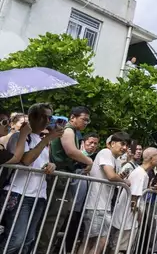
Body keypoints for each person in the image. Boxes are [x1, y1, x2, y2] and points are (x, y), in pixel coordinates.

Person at [0, 103, 63, 254]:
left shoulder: (43, 141)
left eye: (50, 117)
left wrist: (51, 165)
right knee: (16, 240)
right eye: (44, 117)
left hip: (38, 195)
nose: (48, 121)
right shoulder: (20, 137)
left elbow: (41, 162)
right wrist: (47, 139)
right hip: (18, 193)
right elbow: (26, 160)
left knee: (28, 240)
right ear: (34, 117)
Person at [38, 106, 94, 254]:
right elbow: (70, 151)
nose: (86, 123)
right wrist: (89, 161)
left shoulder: (73, 131)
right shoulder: (68, 130)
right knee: (53, 218)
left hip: (63, 177)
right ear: (72, 117)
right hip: (59, 176)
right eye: (84, 119)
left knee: (57, 218)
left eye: (88, 120)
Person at [81, 132, 131, 254]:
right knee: (95, 242)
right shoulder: (106, 152)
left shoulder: (115, 160)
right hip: (97, 205)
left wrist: (119, 177)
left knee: (94, 242)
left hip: (103, 205)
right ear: (112, 143)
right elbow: (110, 175)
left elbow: (111, 177)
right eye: (122, 144)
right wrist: (125, 181)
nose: (124, 148)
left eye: (127, 145)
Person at [112, 147, 157, 253]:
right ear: (151, 158)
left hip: (127, 219)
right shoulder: (141, 174)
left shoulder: (143, 173)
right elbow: (134, 199)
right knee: (121, 249)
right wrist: (139, 217)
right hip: (127, 220)